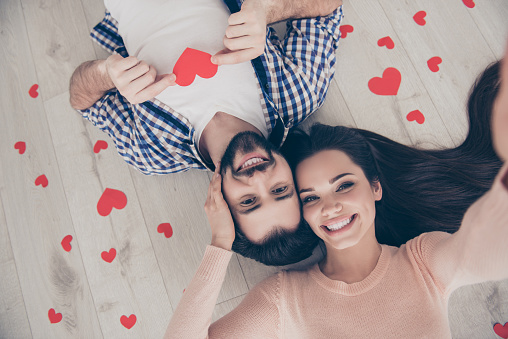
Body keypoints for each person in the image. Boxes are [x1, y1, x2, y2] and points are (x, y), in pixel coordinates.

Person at [163, 49, 508, 338]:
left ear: (375, 187)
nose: (330, 207)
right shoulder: (283, 299)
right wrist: (220, 243)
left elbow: (488, 247)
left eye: (344, 185)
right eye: (310, 197)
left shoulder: (423, 262)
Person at [68, 0, 343, 265]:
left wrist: (107, 74)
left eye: (248, 201)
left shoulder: (153, 152)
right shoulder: (299, 93)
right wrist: (268, 10)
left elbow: (82, 99)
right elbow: (327, 6)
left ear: (220, 202)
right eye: (280, 189)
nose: (258, 178)